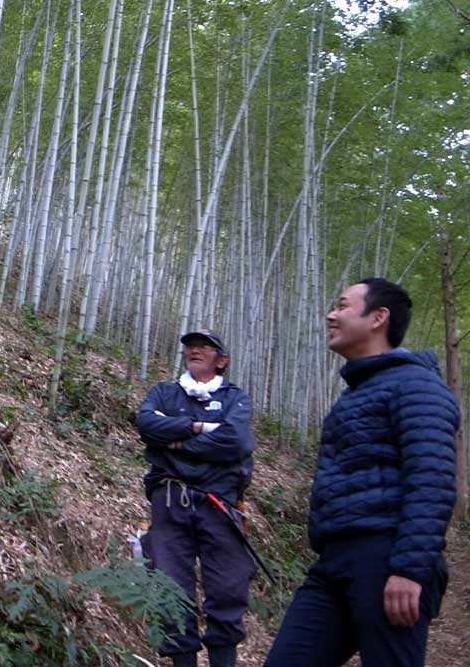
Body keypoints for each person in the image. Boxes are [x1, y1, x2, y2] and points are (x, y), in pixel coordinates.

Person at [264, 278, 459, 667]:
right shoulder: (360, 391)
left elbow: (432, 478)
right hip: (335, 561)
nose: (330, 315)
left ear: (378, 317)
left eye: (342, 306)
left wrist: (408, 568)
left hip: (385, 556)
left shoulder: (416, 385)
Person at [136, 330, 256, 667]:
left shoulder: (236, 398)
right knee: (171, 589)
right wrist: (201, 428)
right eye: (190, 346)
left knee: (228, 588)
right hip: (170, 501)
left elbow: (236, 442)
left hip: (220, 504)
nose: (195, 351)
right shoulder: (164, 393)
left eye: (205, 347)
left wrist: (174, 442)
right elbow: (146, 425)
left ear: (222, 359)